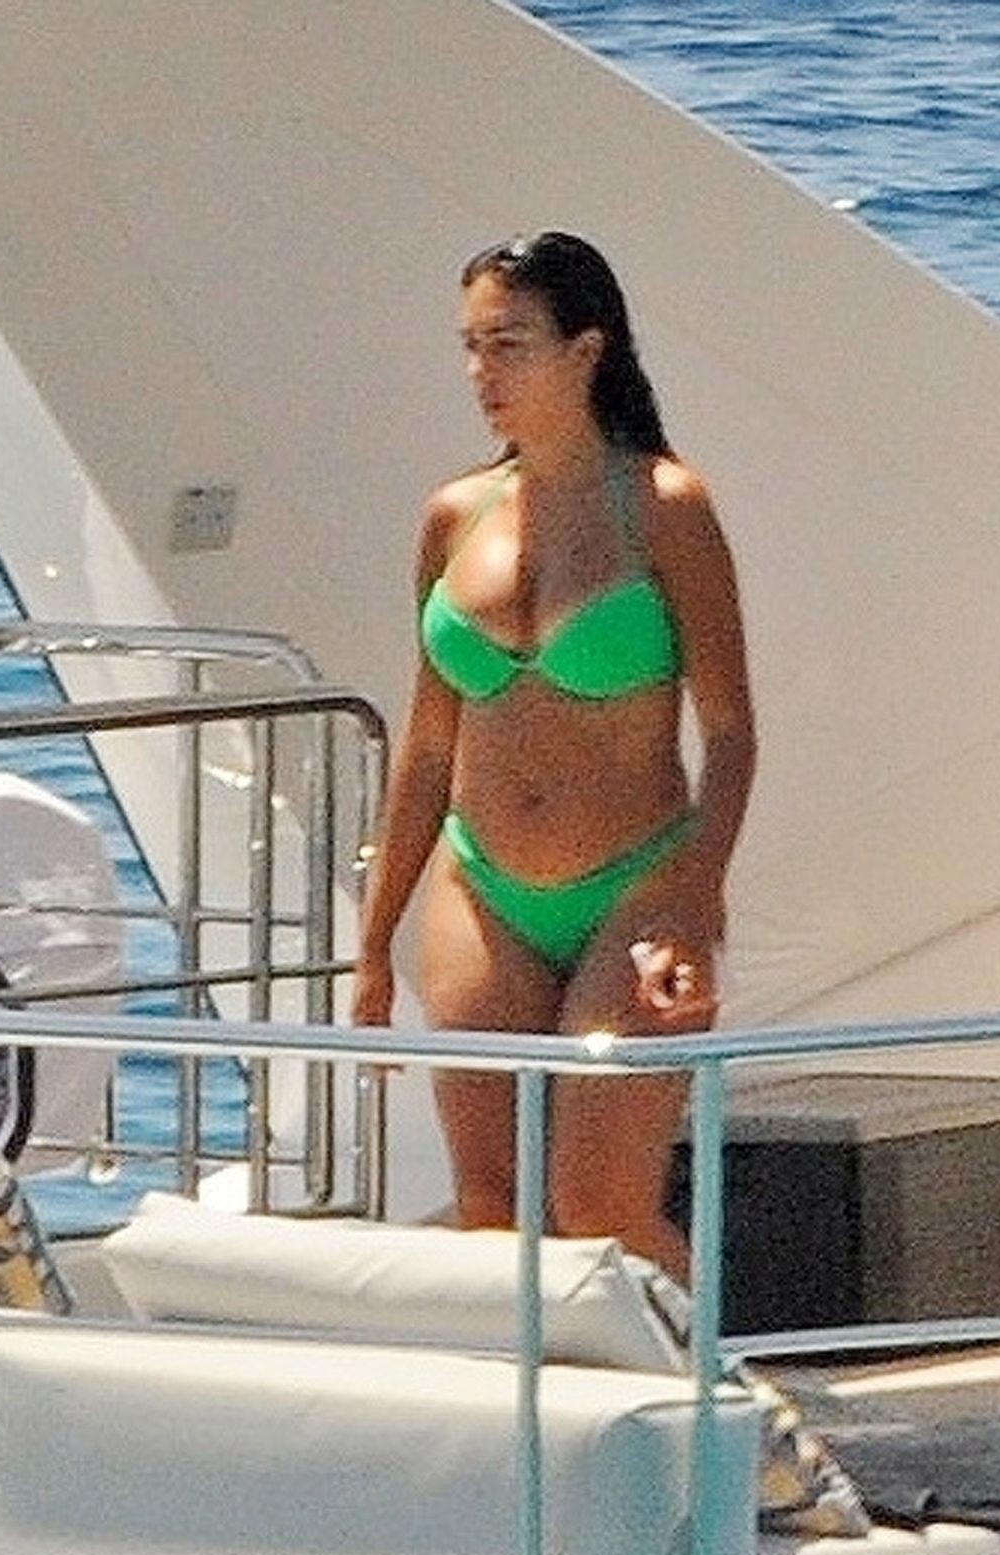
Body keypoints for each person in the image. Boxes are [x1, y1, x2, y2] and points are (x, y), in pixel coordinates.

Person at [352, 230, 755, 1280]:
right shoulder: (454, 517)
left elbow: (728, 736)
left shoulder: (664, 509)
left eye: (510, 345)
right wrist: (372, 943)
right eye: (471, 346)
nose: (483, 373)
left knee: (599, 1209)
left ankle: (717, 1382)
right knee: (490, 1212)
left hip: (637, 885)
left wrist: (692, 910)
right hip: (480, 886)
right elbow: (427, 748)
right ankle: (543, 1398)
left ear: (586, 350)